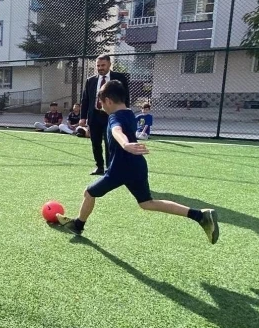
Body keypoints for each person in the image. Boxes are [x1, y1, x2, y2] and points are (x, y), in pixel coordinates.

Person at [56, 80, 219, 244]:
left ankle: (78, 225)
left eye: (101, 102)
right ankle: (200, 215)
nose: (100, 105)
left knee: (89, 192)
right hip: (137, 165)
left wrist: (125, 144)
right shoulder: (129, 114)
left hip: (120, 169)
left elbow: (116, 130)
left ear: (109, 101)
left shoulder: (114, 117)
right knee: (147, 203)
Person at [80, 55, 130, 175]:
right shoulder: (90, 80)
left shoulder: (119, 78)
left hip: (111, 116)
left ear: (109, 64)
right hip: (95, 116)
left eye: (103, 65)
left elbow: (125, 97)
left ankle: (110, 168)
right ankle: (99, 167)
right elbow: (85, 100)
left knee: (110, 143)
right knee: (95, 142)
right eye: (98, 65)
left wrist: (124, 113)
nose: (100, 68)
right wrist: (83, 117)